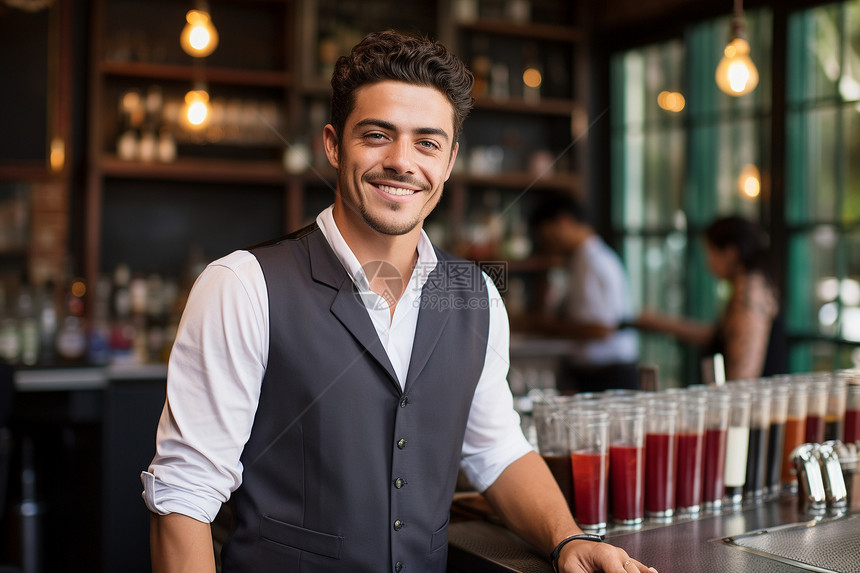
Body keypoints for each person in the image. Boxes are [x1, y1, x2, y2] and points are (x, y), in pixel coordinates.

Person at [142, 30, 657, 573]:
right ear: (334, 145)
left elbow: (496, 451)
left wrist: (567, 538)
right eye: (377, 135)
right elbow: (184, 498)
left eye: (427, 143)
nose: (402, 162)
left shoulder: (475, 293)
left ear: (450, 160)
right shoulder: (242, 286)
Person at [636, 215, 786, 381]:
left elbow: (743, 376)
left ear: (730, 253)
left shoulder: (750, 290)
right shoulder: (751, 282)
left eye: (711, 254)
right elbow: (716, 336)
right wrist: (660, 323)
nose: (709, 264)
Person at [521, 192, 639, 393]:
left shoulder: (593, 261)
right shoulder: (582, 259)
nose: (546, 243)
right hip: (597, 373)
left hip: (608, 375)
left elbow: (602, 329)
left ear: (563, 222)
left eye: (546, 234)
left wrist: (548, 326)